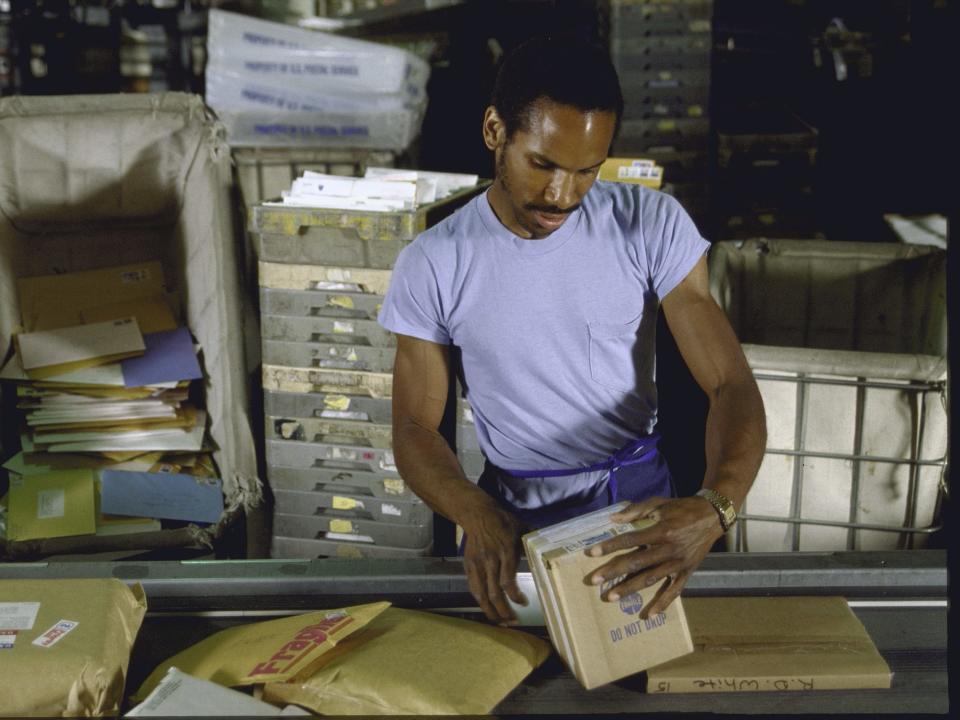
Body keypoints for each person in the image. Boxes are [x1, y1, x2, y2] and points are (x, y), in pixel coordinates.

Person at [378, 36, 766, 625]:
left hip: (638, 510)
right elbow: (412, 426)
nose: (562, 196)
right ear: (494, 131)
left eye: (587, 171)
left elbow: (730, 385)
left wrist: (715, 509)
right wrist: (475, 515)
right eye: (543, 164)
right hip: (510, 518)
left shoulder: (650, 224)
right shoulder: (435, 262)